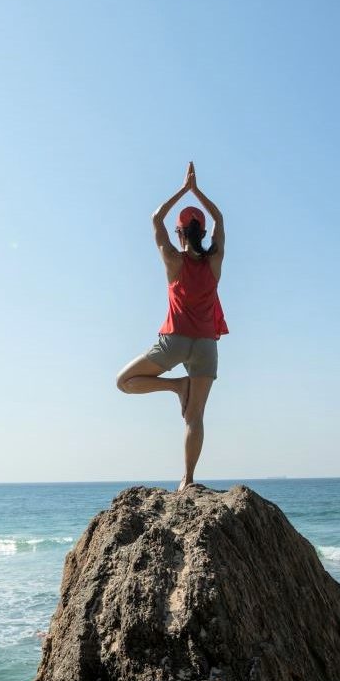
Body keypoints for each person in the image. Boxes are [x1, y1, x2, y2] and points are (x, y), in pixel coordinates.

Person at [116, 162, 228, 491]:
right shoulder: (215, 262)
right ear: (204, 232)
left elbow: (155, 218)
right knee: (195, 418)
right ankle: (188, 480)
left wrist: (183, 189)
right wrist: (196, 192)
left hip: (174, 341)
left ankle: (175, 386)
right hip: (206, 345)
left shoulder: (172, 260)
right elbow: (220, 219)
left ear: (179, 233)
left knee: (124, 382)